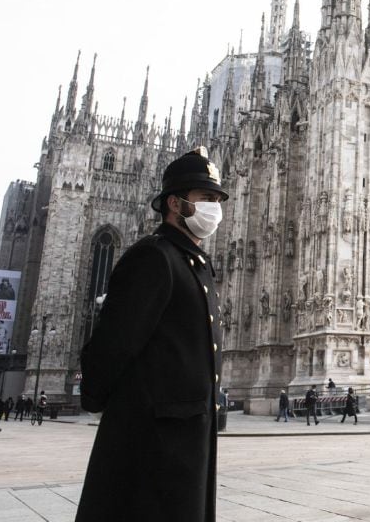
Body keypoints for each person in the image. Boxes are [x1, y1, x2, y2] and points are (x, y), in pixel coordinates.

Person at [75, 147, 227, 522]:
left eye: (217, 199)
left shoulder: (194, 264)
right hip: (151, 444)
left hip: (187, 443)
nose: (214, 208)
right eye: (205, 198)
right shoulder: (154, 258)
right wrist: (111, 407)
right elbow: (112, 346)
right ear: (176, 204)